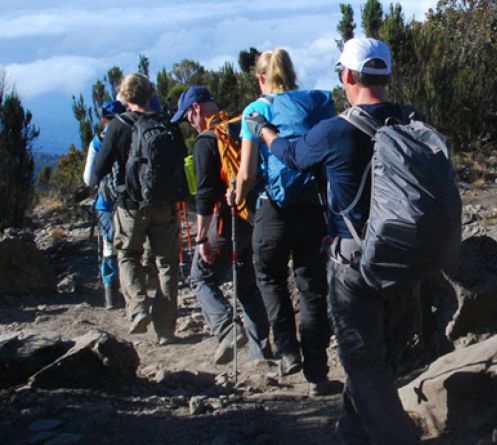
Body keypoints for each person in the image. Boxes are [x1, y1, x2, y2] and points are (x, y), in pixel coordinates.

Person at [245, 37, 422, 445]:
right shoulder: (414, 119)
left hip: (355, 263)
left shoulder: (336, 132)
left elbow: (292, 157)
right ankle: (350, 434)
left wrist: (266, 131)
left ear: (347, 75)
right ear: (388, 75)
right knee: (383, 362)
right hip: (408, 259)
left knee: (363, 364)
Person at [229, 48, 333, 395]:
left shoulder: (255, 111)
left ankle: (288, 352)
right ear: (291, 73)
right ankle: (318, 373)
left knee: (269, 277)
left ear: (261, 78)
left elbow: (245, 174)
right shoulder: (318, 102)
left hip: (273, 210)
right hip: (315, 208)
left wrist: (236, 197)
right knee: (313, 287)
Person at [171, 86, 272, 365]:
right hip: (258, 216)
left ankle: (228, 330)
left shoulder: (206, 141)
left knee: (200, 276)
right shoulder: (243, 125)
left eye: (188, 118)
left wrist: (202, 238)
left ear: (196, 109)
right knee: (248, 283)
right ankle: (262, 353)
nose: (189, 125)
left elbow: (205, 195)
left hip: (229, 219)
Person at [93, 73, 185, 345]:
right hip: (165, 205)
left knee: (128, 255)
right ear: (150, 93)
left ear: (125, 96)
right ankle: (166, 329)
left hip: (131, 205)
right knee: (168, 264)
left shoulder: (118, 126)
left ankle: (138, 309)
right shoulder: (167, 124)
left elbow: (99, 169)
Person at [83, 99, 126, 309]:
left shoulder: (98, 141)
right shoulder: (132, 135)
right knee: (131, 248)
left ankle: (111, 296)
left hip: (106, 203)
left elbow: (89, 179)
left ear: (103, 119)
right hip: (129, 202)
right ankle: (134, 294)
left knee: (109, 247)